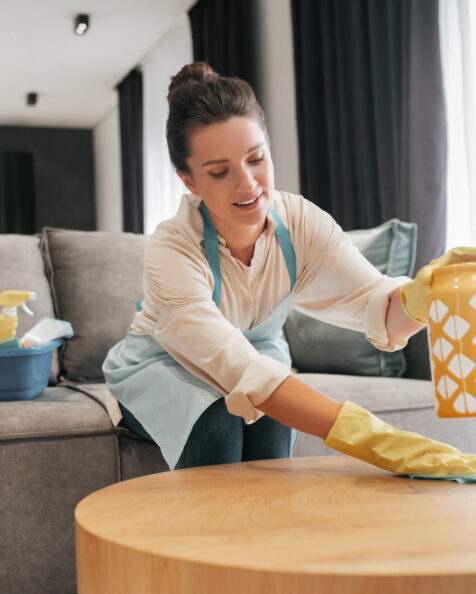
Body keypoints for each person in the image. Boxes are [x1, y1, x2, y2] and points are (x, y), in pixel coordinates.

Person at [103, 61, 476, 479]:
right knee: (218, 421)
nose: (248, 184)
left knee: (273, 418)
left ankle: (271, 539)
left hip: (256, 359)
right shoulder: (172, 249)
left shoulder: (298, 222)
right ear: (189, 180)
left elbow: (379, 306)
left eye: (256, 158)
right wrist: (379, 443)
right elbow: (241, 371)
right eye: (221, 172)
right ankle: (209, 541)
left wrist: (424, 293)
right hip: (163, 367)